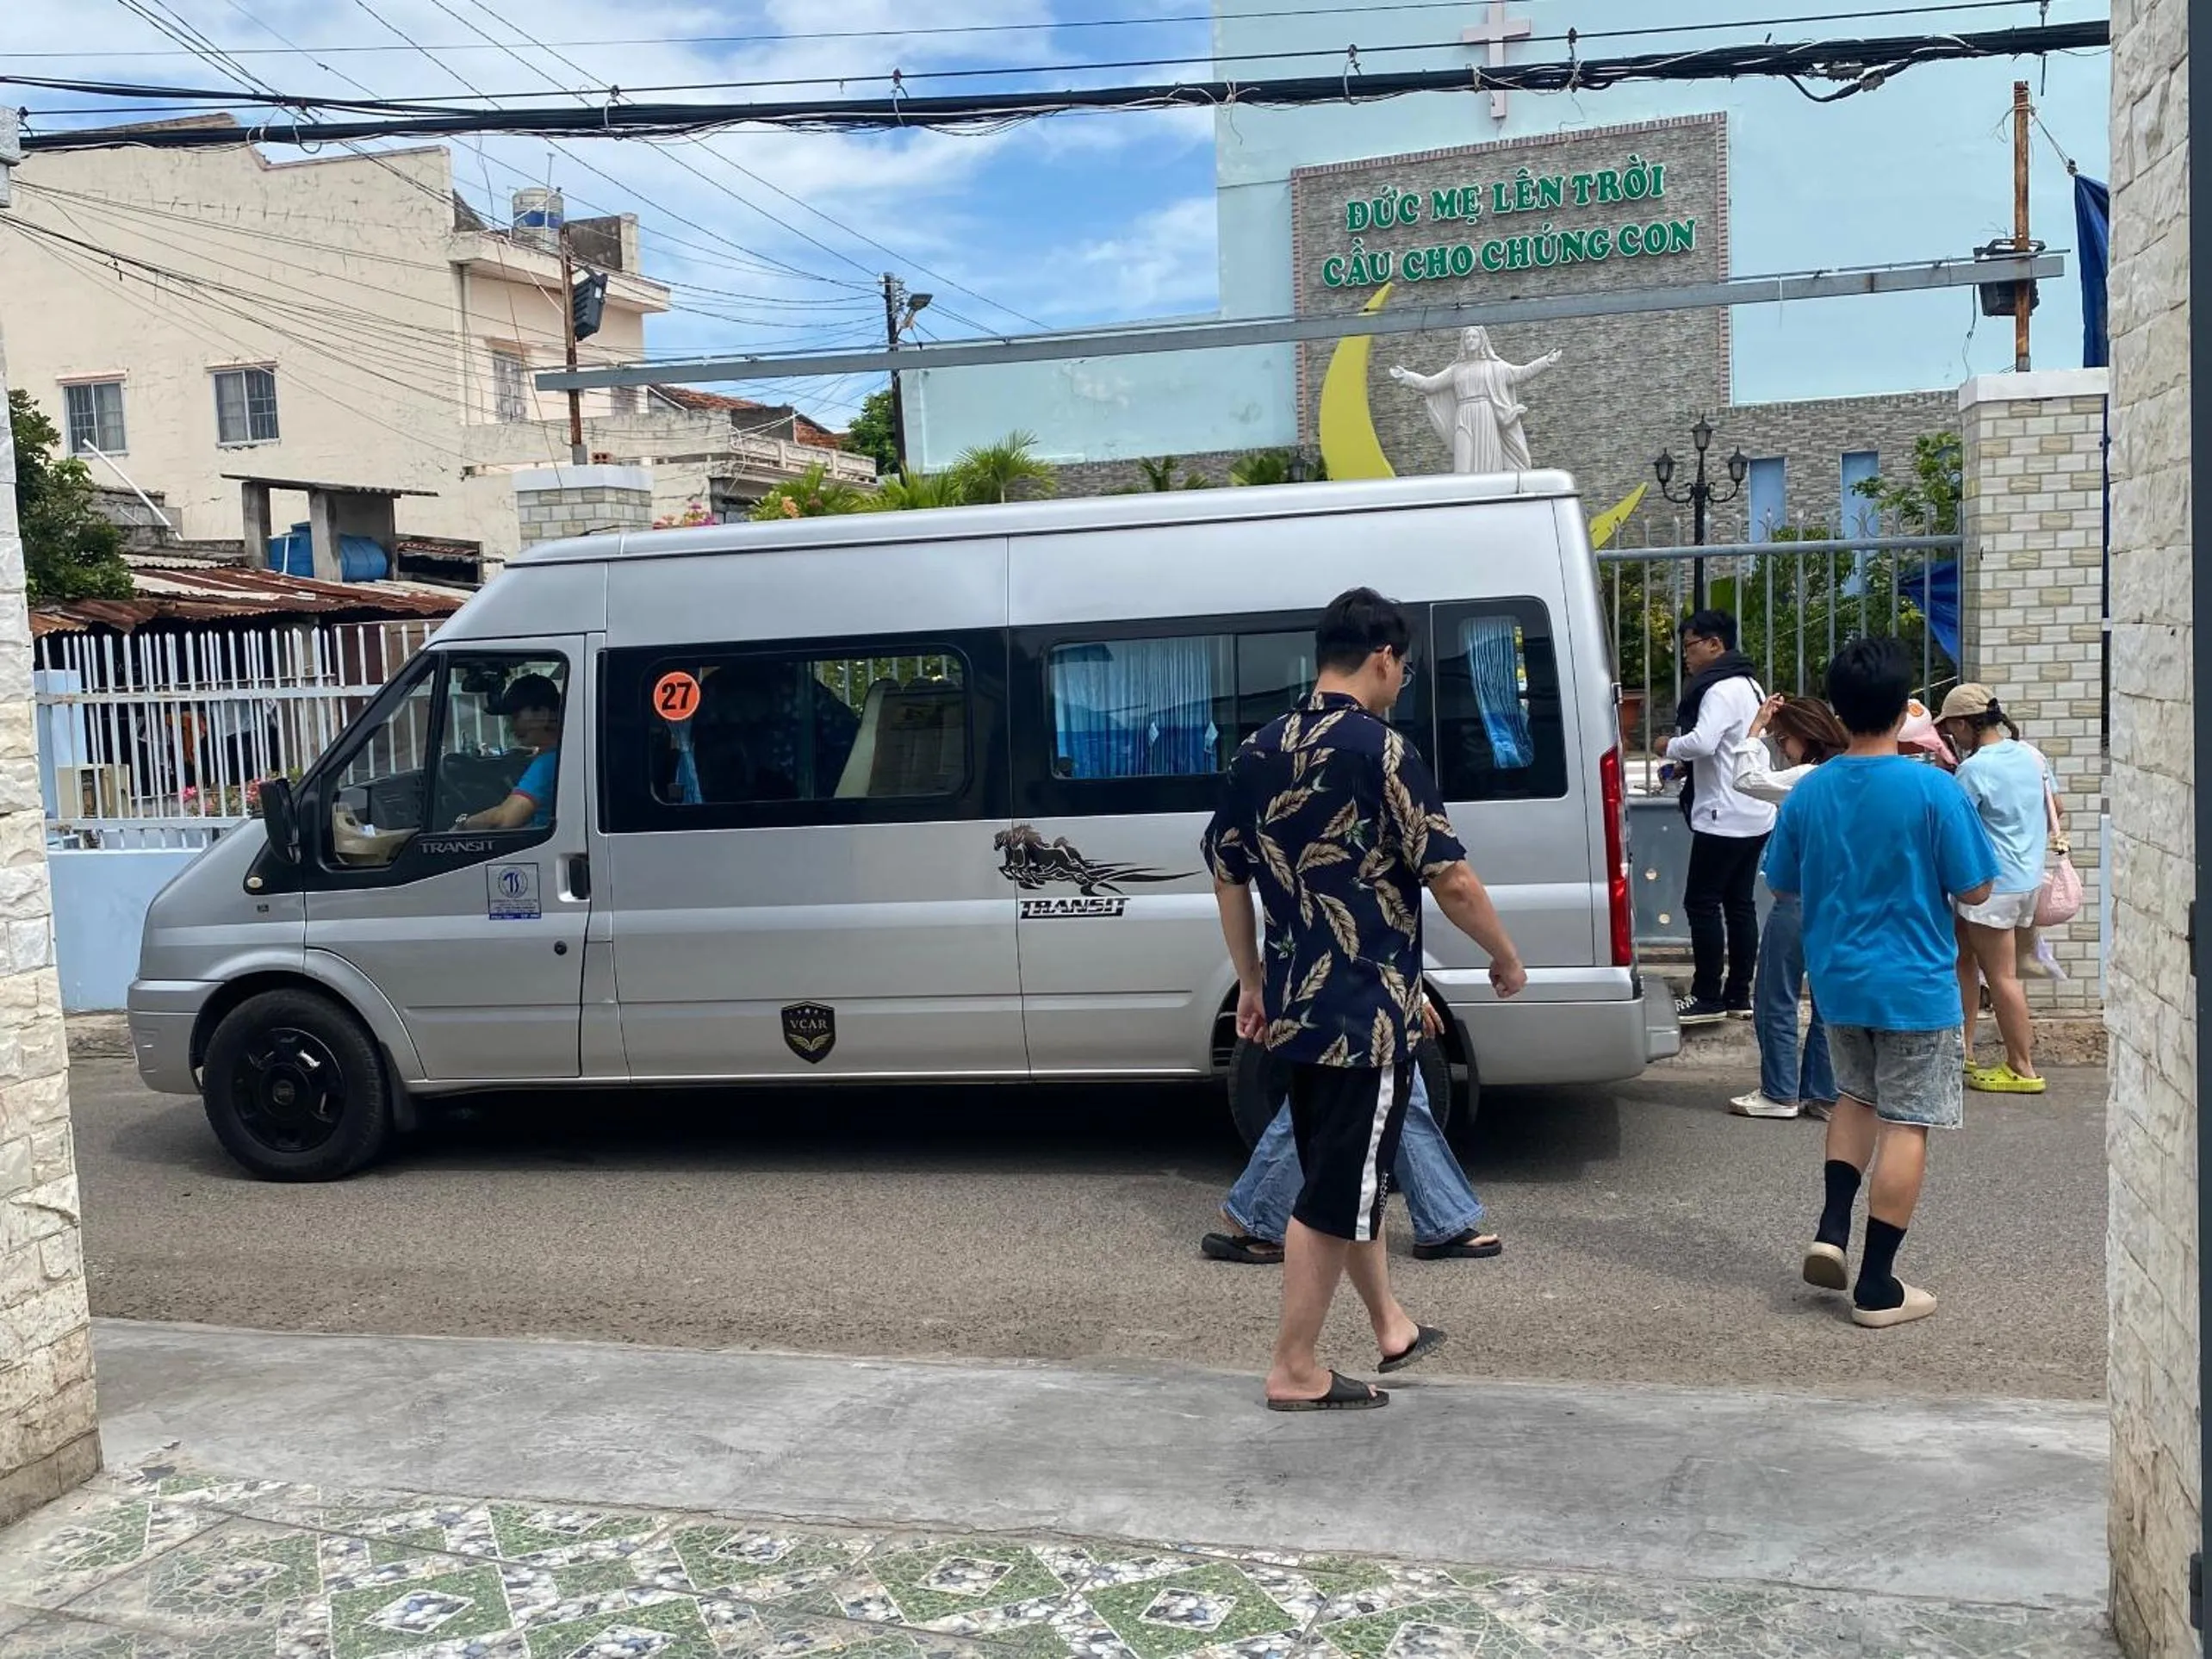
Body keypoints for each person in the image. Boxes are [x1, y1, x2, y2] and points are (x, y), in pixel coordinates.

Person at [1203, 587, 1526, 1411]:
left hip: (1295, 1007)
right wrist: (1504, 955)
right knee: (1332, 1194)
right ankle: (1296, 1367)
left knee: (1345, 1174)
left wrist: (1249, 978)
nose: (1402, 683)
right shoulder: (1383, 752)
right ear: (1382, 658)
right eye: (1403, 669)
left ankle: (1391, 1326)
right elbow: (1450, 877)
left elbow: (1226, 871)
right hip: (1363, 1019)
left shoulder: (1258, 749)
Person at [1765, 637, 1998, 1329]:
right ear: (1906, 710)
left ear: (1836, 710)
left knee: (1854, 1098)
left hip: (1839, 981)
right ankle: (1875, 1287)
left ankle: (1832, 1227)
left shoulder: (1812, 791)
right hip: (1916, 984)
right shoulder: (1934, 789)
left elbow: (1781, 881)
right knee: (1907, 1121)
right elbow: (1978, 889)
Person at [1204, 999, 1500, 1264]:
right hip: (1352, 985)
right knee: (1335, 1097)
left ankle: (1442, 1216)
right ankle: (1259, 1213)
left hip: (1350, 981)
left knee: (1394, 1089)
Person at [1727, 695, 1849, 1122]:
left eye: (1784, 740)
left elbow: (1746, 781)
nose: (1783, 749)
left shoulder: (1806, 777)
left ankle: (1780, 1092)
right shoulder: (1850, 773)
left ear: (1802, 736)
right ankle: (1824, 1092)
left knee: (1774, 996)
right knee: (1828, 1001)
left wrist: (1755, 729)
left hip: (1797, 895)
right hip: (1842, 900)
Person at [1655, 610, 1775, 1026]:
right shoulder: (1748, 683)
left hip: (1723, 815)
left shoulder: (1720, 689)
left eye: (1689, 645)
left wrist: (1667, 746)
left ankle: (1707, 994)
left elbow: (1703, 742)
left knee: (1701, 902)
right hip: (1753, 812)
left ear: (1714, 644)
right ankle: (1739, 993)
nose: (1685, 656)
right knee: (1739, 904)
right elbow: (1727, 746)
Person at [1936, 684, 2051, 1094]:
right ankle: (1963, 1050)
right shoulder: (2032, 755)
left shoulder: (1974, 769)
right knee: (1963, 957)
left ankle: (2022, 1066)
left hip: (1991, 886)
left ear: (1965, 724)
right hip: (2026, 880)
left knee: (2000, 976)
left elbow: (1955, 826)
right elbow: (2057, 807)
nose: (1951, 738)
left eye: (1951, 729)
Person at [1387, 326, 1563, 473]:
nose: (1470, 340)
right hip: (1464, 414)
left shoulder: (1495, 366)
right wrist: (1407, 376)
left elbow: (1521, 373)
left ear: (1482, 340)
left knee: (1488, 460)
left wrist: (1546, 362)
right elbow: (1430, 384)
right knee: (1463, 463)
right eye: (1467, 337)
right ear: (1463, 342)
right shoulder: (1456, 369)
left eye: (1474, 337)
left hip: (1486, 415)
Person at [453, 674, 562, 831]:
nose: (511, 727)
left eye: (516, 716)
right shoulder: (559, 756)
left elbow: (503, 820)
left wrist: (461, 825)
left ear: (541, 713)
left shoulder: (547, 765)